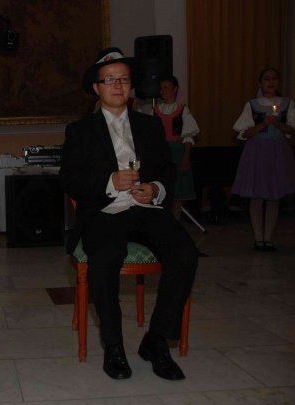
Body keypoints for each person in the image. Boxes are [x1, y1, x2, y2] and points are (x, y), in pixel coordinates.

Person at [60, 47, 198, 381]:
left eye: (123, 79)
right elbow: (70, 179)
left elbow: (166, 169)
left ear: (131, 86)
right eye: (109, 80)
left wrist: (156, 189)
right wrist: (109, 181)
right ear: (97, 88)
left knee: (185, 252)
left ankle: (156, 340)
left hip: (145, 208)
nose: (118, 85)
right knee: (105, 257)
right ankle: (114, 346)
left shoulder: (150, 126)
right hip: (104, 211)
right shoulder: (80, 130)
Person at [231, 67, 295, 251]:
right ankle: (259, 237)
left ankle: (269, 237)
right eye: (267, 79)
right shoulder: (252, 105)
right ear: (260, 83)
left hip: (278, 152)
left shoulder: (287, 103)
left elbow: (291, 130)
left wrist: (278, 124)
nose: (271, 82)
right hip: (257, 152)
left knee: (274, 195)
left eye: (274, 78)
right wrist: (263, 124)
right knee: (257, 195)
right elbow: (243, 133)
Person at [135, 76, 200, 219]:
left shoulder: (183, 110)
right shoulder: (155, 111)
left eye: (166, 88)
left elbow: (188, 138)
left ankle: (175, 221)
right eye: (161, 88)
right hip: (160, 153)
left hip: (177, 152)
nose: (163, 91)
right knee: (161, 186)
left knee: (177, 191)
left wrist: (185, 158)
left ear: (175, 89)